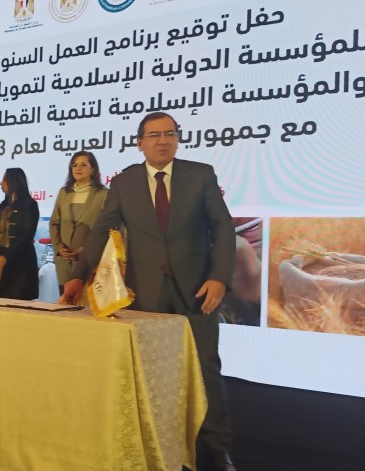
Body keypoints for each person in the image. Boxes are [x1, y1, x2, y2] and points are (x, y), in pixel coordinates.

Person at [59, 112, 237, 471]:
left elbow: (222, 228)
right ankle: (158, 444)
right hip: (146, 294)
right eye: (154, 135)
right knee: (152, 373)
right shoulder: (124, 182)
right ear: (139, 143)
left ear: (178, 139)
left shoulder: (200, 174)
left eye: (169, 133)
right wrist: (77, 277)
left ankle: (217, 449)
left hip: (197, 292)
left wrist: (219, 276)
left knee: (205, 369)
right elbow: (103, 230)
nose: (162, 140)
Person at [49, 151, 108, 294]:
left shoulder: (103, 194)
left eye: (83, 165)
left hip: (89, 260)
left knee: (85, 302)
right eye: (74, 165)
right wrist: (59, 248)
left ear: (92, 169)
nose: (78, 168)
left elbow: (105, 228)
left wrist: (84, 250)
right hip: (64, 260)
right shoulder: (64, 192)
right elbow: (54, 223)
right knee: (65, 300)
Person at [0, 168, 39, 300]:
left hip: (21, 264)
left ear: (13, 181)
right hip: (2, 265)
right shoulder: (3, 206)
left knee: (20, 303)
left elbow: (27, 235)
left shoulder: (30, 205)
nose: (1, 183)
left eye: (4, 179)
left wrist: (7, 256)